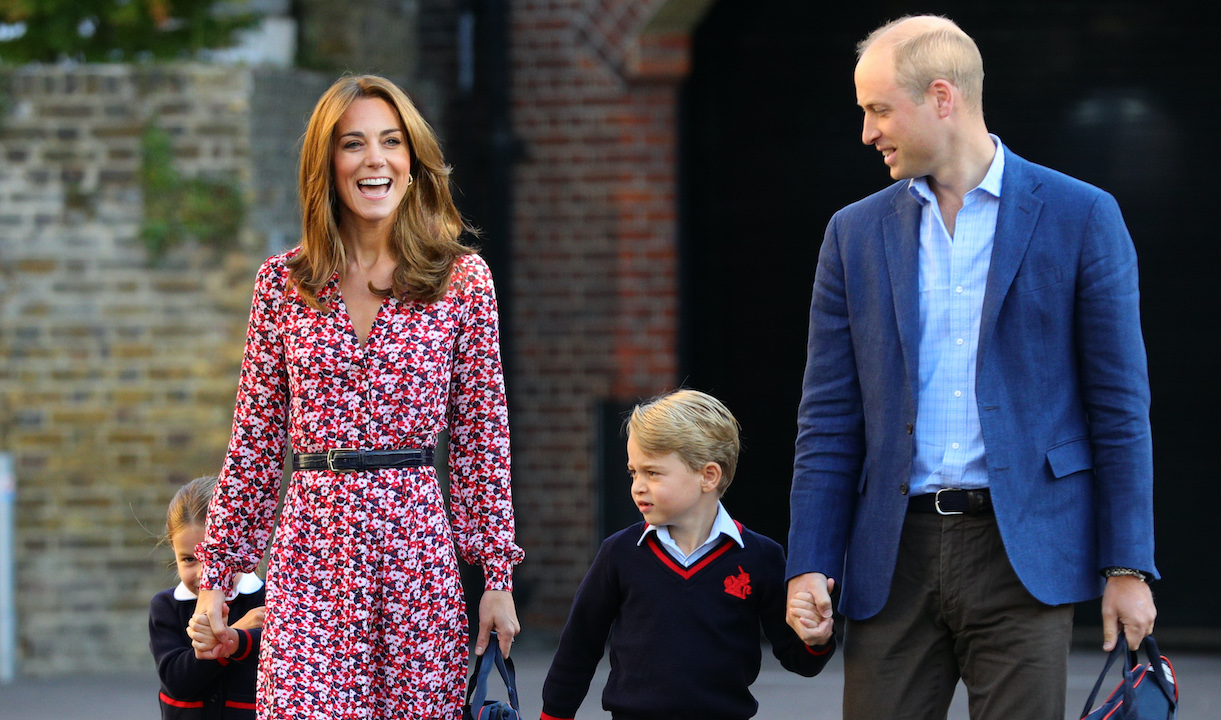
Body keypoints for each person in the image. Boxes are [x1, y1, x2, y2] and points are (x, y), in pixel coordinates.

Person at [784, 15, 1158, 720]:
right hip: (890, 558)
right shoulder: (853, 234)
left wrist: (1128, 566)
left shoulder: (1082, 216)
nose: (868, 132)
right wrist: (810, 560)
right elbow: (828, 420)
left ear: (942, 97)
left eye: (879, 109)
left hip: (1024, 555)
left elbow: (1120, 409)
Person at [190, 75, 523, 718]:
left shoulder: (462, 281)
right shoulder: (284, 283)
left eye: (391, 141)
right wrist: (217, 581)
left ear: (413, 159)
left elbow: (483, 439)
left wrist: (497, 579)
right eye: (354, 144)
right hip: (312, 550)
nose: (375, 159)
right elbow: (255, 443)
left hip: (417, 552)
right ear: (328, 165)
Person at [541, 390, 834, 720]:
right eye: (633, 472)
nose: (638, 485)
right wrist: (554, 715)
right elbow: (579, 645)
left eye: (652, 473)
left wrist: (816, 639)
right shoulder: (619, 554)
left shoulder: (761, 557)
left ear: (708, 476)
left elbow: (799, 658)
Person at [149, 475, 265, 719]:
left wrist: (229, 641)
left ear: (243, 546)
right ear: (173, 549)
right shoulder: (166, 607)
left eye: (215, 559)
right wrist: (235, 632)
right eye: (189, 559)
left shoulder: (267, 600)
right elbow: (177, 682)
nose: (205, 573)